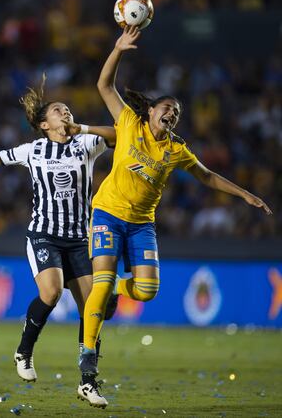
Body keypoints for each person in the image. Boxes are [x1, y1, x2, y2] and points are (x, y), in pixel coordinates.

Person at [78, 26, 272, 406]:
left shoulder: (178, 150)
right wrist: (118, 48)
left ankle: (118, 288)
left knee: (147, 291)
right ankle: (87, 371)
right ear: (150, 110)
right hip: (107, 213)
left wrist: (245, 194)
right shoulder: (129, 123)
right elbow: (103, 85)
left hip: (142, 225)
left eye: (178, 112)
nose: (173, 113)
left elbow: (208, 176)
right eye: (168, 107)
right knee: (99, 284)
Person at [0, 74, 117, 407]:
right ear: (44, 124)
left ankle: (88, 382)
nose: (66, 112)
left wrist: (84, 128)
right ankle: (24, 351)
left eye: (67, 109)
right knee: (52, 291)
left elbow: (118, 135)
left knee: (94, 309)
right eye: (59, 110)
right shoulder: (33, 150)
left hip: (77, 239)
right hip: (43, 233)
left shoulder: (86, 143)